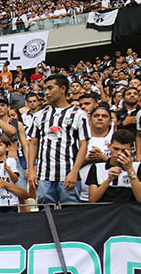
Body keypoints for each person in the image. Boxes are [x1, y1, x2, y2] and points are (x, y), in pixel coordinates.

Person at [27, 75, 90, 205]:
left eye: (50, 88)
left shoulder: (79, 114)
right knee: (46, 214)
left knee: (71, 215)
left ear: (62, 89)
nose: (47, 92)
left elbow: (83, 145)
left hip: (67, 174)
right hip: (43, 175)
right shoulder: (40, 115)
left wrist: (74, 171)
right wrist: (31, 171)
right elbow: (33, 144)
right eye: (45, 89)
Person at [86, 129, 141, 203]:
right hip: (105, 213)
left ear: (131, 149)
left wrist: (130, 170)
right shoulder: (97, 168)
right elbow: (92, 200)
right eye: (116, 149)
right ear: (109, 146)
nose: (119, 153)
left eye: (124, 150)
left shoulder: (138, 167)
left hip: (129, 212)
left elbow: (140, 199)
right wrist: (108, 180)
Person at [78, 105, 114, 202]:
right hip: (78, 193)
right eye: (96, 116)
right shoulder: (80, 139)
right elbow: (68, 166)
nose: (100, 118)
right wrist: (86, 160)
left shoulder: (115, 141)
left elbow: (124, 165)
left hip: (107, 194)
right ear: (90, 119)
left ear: (111, 121)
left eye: (104, 116)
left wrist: (103, 158)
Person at [0, 134, 28, 211]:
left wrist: (7, 168)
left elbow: (15, 179)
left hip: (11, 201)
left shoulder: (12, 161)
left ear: (8, 147)